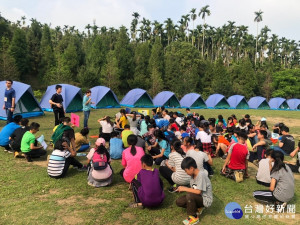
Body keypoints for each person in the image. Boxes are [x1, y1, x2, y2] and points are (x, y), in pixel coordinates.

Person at [176, 157, 213, 225]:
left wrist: (184, 188)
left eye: (186, 170)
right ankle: (198, 207)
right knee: (179, 201)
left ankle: (194, 217)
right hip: (198, 197)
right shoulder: (192, 176)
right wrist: (183, 189)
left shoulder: (201, 175)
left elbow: (198, 191)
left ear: (191, 168)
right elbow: (193, 189)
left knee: (189, 196)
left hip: (205, 199)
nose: (186, 172)